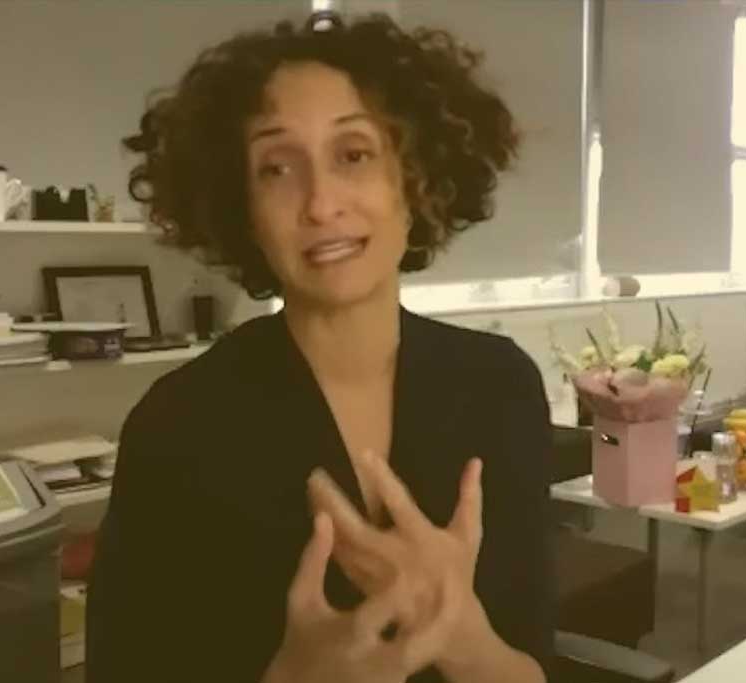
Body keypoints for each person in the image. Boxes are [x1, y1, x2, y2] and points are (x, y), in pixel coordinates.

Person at [87, 11, 553, 683]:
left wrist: (460, 633)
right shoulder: (177, 426)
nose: (320, 202)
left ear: (415, 178)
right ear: (241, 206)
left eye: (354, 154)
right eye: (277, 168)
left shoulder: (500, 386)